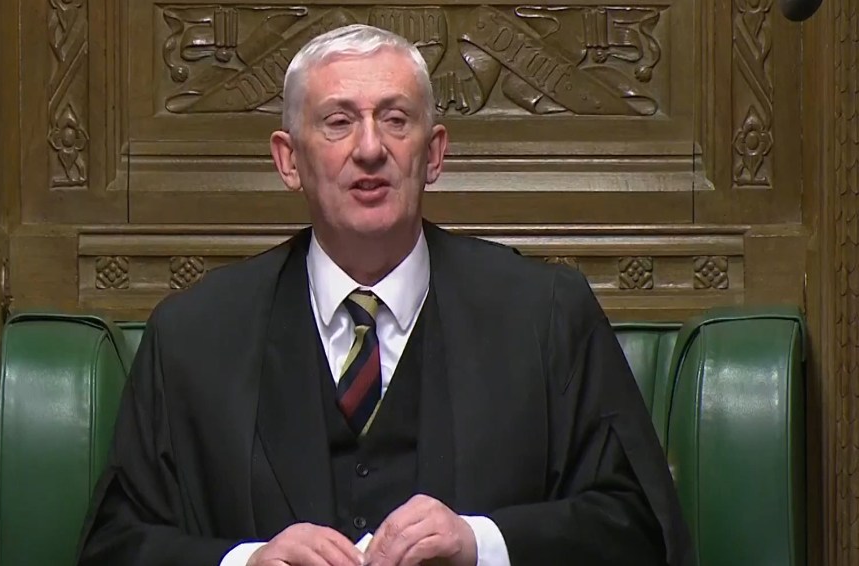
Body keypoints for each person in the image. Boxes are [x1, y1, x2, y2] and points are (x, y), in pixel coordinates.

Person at [75, 24, 694, 566]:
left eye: (395, 119)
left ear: (434, 154)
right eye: (338, 122)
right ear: (289, 161)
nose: (370, 148)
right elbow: (115, 546)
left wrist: (481, 543)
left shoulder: (548, 315)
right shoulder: (194, 335)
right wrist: (247, 562)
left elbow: (641, 531)